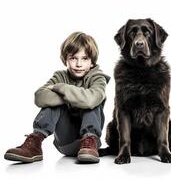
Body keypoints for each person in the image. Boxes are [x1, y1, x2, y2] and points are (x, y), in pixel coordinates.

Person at [4, 32, 110, 164]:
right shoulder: (60, 76)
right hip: (65, 142)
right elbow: (40, 97)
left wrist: (62, 89)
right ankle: (35, 142)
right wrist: (75, 98)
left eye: (85, 58)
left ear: (92, 62)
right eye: (73, 58)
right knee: (54, 103)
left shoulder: (98, 78)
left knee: (93, 103)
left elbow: (91, 100)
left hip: (90, 146)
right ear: (65, 59)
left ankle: (89, 139)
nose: (78, 64)